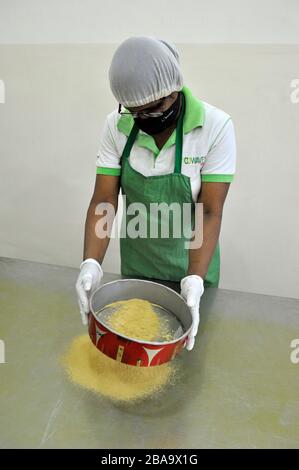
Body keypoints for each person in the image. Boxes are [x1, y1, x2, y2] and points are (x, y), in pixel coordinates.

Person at [76, 36, 236, 351]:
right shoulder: (116, 127)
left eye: (155, 108)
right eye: (136, 112)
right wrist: (91, 263)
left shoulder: (214, 127)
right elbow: (105, 200)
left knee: (189, 359)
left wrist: (194, 279)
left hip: (193, 267)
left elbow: (208, 211)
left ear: (174, 89)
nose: (146, 118)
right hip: (138, 269)